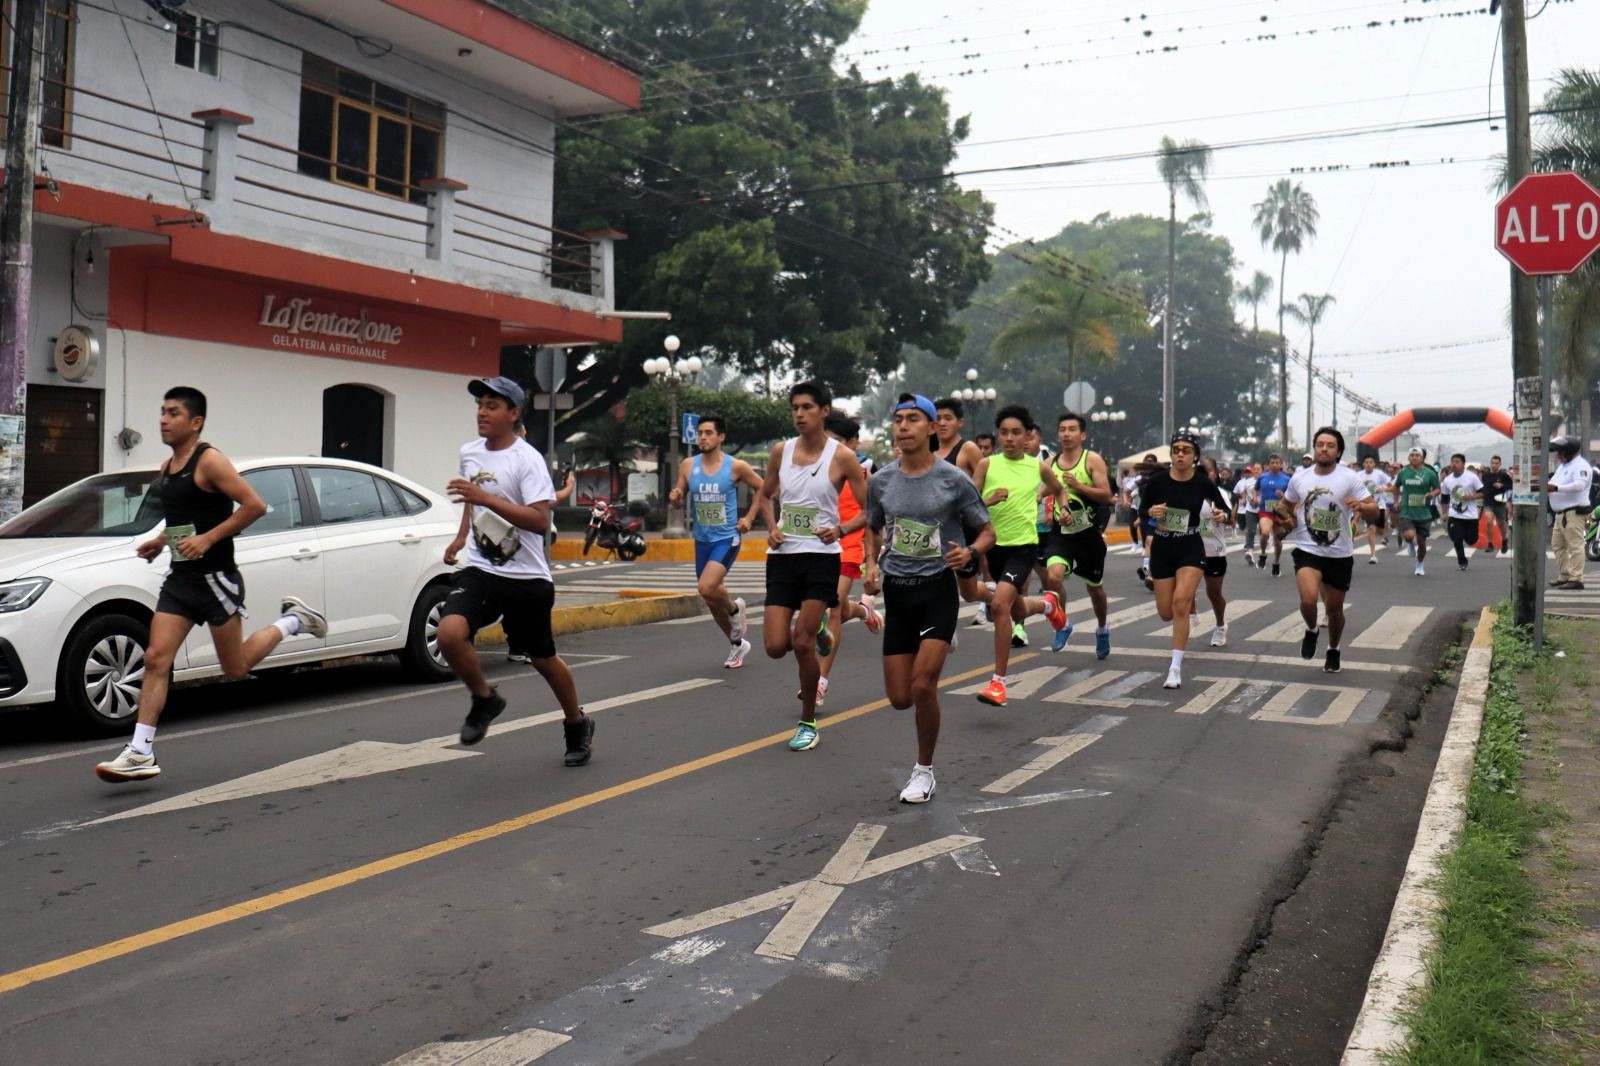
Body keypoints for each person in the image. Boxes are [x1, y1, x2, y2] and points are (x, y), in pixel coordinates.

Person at [95, 387, 330, 783]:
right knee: (155, 659)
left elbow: (254, 506)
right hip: (181, 580)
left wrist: (208, 539)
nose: (163, 419)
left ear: (196, 422)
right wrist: (161, 541)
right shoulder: (169, 467)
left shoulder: (210, 461)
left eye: (173, 413)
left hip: (215, 580)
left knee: (235, 668)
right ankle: (140, 751)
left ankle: (292, 620)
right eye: (162, 411)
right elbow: (183, 519)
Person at [435, 377, 593, 764]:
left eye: (492, 406)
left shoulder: (527, 460)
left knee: (543, 660)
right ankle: (484, 698)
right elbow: (473, 501)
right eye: (480, 405)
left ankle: (577, 723)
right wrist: (461, 537)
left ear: (513, 413)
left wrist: (485, 497)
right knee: (449, 633)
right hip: (482, 569)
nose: (482, 412)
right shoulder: (470, 452)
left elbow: (539, 520)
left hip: (527, 578)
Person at [863, 394, 995, 803]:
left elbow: (987, 532)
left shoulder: (953, 479)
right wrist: (870, 564)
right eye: (898, 420)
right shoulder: (881, 481)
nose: (903, 426)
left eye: (913, 419)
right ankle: (935, 642)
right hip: (897, 592)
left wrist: (969, 553)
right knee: (900, 698)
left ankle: (924, 770)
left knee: (923, 686)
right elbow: (872, 526)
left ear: (932, 427)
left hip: (937, 589)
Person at [755, 382, 871, 751]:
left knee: (801, 642)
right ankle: (820, 629)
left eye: (807, 407)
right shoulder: (781, 451)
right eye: (795, 408)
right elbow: (765, 494)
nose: (800, 414)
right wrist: (771, 527)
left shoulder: (842, 457)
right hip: (783, 558)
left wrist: (841, 529)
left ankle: (807, 721)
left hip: (821, 557)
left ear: (824, 410)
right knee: (775, 646)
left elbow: (870, 510)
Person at [973, 404, 1067, 707]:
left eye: (1016, 433)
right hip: (994, 547)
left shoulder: (1037, 467)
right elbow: (968, 505)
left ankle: (998, 684)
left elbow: (1058, 489)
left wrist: (1063, 507)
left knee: (999, 605)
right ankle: (1048, 605)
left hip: (1023, 547)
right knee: (1017, 609)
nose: (1009, 438)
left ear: (1027, 436)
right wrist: (989, 499)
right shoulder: (987, 465)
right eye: (1004, 433)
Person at [668, 414, 766, 668]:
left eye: (708, 433)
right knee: (711, 597)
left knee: (706, 587)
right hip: (702, 539)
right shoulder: (688, 465)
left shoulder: (736, 466)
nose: (702, 437)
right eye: (700, 433)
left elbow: (763, 488)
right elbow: (678, 497)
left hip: (726, 537)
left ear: (721, 437)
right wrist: (676, 497)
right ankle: (737, 644)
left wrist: (749, 518)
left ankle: (734, 610)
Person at [1276, 427, 1376, 674]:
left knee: (1334, 609)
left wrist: (1361, 506)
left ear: (1338, 451)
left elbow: (1374, 509)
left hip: (1339, 553)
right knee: (1308, 600)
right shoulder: (1300, 477)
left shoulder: (1349, 478)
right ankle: (1311, 630)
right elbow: (1285, 504)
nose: (1324, 449)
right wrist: (1285, 516)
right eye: (1320, 444)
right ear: (1314, 448)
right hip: (1307, 549)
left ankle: (1333, 648)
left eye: (1330, 445)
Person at [1139, 431, 1231, 689]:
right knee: (1166, 612)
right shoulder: (1157, 482)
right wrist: (1150, 512)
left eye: (1186, 450)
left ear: (1195, 456)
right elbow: (1142, 510)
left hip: (1191, 547)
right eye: (1176, 449)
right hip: (1162, 548)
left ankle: (1175, 668)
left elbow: (1226, 509)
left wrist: (1222, 515)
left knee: (1181, 603)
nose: (1180, 454)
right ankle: (1187, 604)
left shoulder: (1202, 482)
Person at [817, 414, 884, 705]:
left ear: (853, 443)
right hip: (818, 546)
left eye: (837, 441)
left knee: (832, 609)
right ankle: (863, 611)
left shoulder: (865, 473)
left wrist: (871, 561)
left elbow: (872, 520)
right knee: (841, 608)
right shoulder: (813, 469)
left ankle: (819, 682)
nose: (830, 447)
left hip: (849, 546)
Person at [1041, 411, 1114, 658]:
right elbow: (1045, 488)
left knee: (1095, 590)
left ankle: (1102, 628)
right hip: (1060, 534)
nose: (1066, 434)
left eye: (1072, 429)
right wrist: (1041, 497)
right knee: (1053, 577)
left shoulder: (1091, 460)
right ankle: (1063, 624)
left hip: (1088, 536)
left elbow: (1106, 495)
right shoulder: (1050, 462)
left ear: (1082, 435)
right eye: (1062, 429)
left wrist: (1079, 486)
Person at [934, 397, 997, 623]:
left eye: (948, 418)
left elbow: (984, 486)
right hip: (935, 529)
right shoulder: (928, 449)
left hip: (963, 530)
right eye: (938, 418)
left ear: (959, 422)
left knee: (969, 592)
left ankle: (994, 600)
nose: (942, 423)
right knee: (935, 582)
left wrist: (986, 505)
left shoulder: (968, 449)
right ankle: (942, 630)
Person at [1547, 435, 1595, 590]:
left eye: (1560, 452)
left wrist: (1556, 488)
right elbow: (1552, 483)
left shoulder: (1581, 466)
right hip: (1561, 513)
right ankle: (1565, 575)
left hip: (1573, 512)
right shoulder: (1563, 467)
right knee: (1557, 545)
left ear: (1568, 451)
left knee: (1575, 545)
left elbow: (1579, 485)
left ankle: (1576, 578)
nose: (1558, 456)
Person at [1198, 456, 1233, 647]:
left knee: (1214, 593)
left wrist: (1223, 516)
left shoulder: (1220, 494)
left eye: (1207, 471)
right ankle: (1192, 615)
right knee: (1183, 588)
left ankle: (1220, 625)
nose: (1203, 474)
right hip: (1190, 550)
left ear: (1214, 473)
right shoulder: (1185, 491)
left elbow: (1230, 518)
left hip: (1214, 551)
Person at [1394, 446, 1442, 577]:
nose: (1414, 458)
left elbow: (1438, 488)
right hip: (1407, 510)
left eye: (1417, 455)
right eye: (1412, 455)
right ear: (1409, 458)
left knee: (1421, 542)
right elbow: (1396, 487)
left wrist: (1432, 494)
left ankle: (1420, 564)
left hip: (1423, 512)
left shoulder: (1429, 473)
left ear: (1422, 458)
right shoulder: (1403, 472)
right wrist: (1396, 501)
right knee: (1409, 535)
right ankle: (1410, 543)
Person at [1439, 453, 1484, 572]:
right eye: (1452, 462)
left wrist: (1471, 497)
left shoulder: (1472, 477)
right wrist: (1444, 513)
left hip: (1470, 515)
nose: (1454, 464)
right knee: (1457, 538)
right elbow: (1444, 499)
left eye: (1457, 462)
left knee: (1471, 540)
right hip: (1455, 514)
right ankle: (1462, 562)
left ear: (1463, 464)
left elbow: (1482, 492)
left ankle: (1463, 534)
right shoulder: (1447, 480)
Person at [1253, 454, 1292, 575]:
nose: (1274, 465)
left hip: (1280, 512)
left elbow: (1292, 496)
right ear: (1268, 464)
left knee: (1277, 540)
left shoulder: (1286, 479)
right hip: (1265, 510)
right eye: (1272, 463)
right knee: (1264, 533)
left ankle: (1276, 562)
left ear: (1281, 464)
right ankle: (1263, 553)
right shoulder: (1262, 477)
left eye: (1277, 463)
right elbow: (1255, 489)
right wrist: (1255, 498)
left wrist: (1283, 495)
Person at [1357, 455, 1392, 564]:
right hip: (1367, 506)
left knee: (1380, 526)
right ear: (1363, 464)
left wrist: (1382, 489)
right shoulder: (1358, 475)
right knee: (1371, 528)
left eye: (1370, 462)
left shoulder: (1379, 474)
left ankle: (1384, 533)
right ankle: (1373, 555)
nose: (1368, 464)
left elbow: (1391, 486)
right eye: (1366, 462)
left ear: (1374, 464)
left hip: (1380, 504)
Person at [1481, 454, 1513, 555]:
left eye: (1496, 463)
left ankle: (1504, 541)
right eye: (1492, 463)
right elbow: (1483, 486)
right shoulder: (1485, 475)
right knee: (1489, 521)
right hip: (1488, 502)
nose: (1494, 465)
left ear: (1500, 464)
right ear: (1490, 463)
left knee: (1501, 524)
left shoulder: (1503, 475)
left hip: (1500, 503)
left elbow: (1511, 485)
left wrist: (1502, 485)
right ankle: (1490, 544)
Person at [1234, 465, 1259, 555]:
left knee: (1261, 530)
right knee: (1247, 529)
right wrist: (1242, 499)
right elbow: (1239, 492)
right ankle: (1249, 546)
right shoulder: (1243, 482)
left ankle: (1251, 545)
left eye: (1258, 469)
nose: (1247, 473)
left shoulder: (1263, 480)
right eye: (1246, 472)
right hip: (1246, 509)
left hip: (1261, 508)